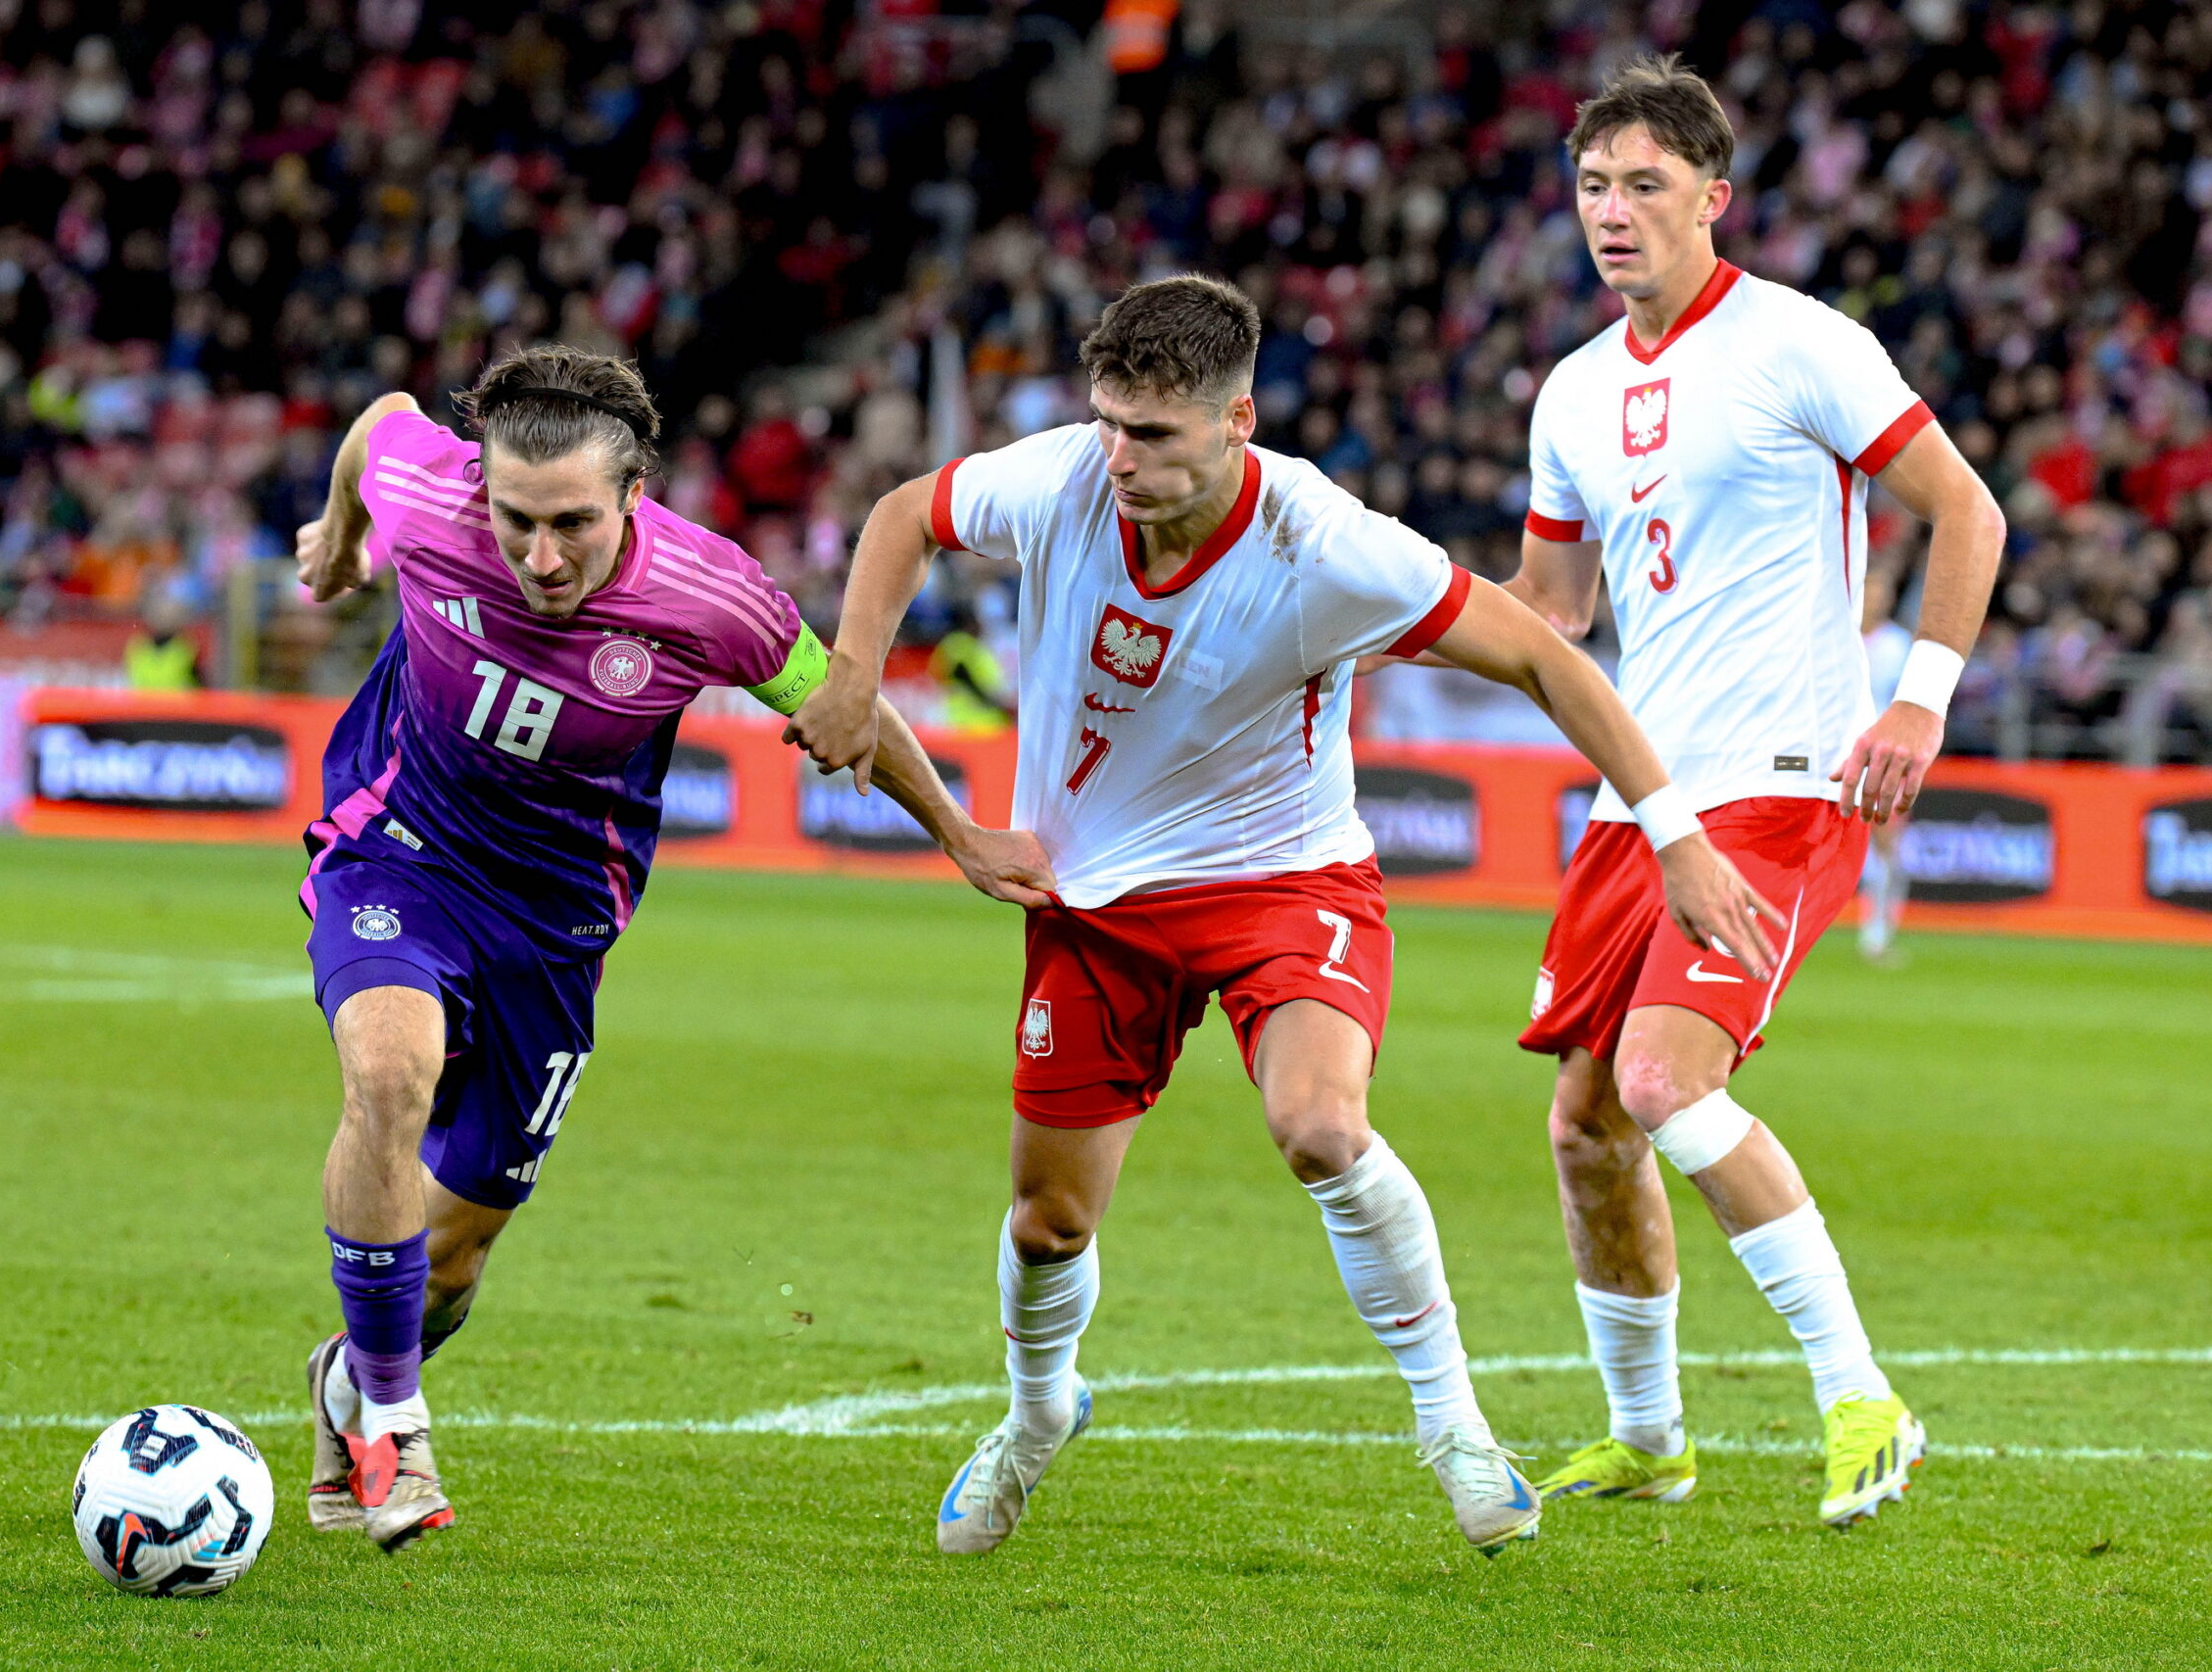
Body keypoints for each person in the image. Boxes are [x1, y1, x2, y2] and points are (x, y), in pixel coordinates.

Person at [784, 274, 1779, 1558]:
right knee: (1051, 1217)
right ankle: (1036, 1414)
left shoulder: (1326, 544)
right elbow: (904, 514)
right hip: (1095, 903)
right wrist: (857, 668)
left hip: (1282, 882)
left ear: (1239, 420)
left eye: (1157, 436)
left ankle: (1455, 1419)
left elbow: (1542, 651)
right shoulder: (1063, 478)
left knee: (1318, 1123)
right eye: (1108, 425)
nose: (1121, 460)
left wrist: (1676, 834)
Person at [291, 346, 1046, 1552]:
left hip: (556, 924)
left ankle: (355, 1373)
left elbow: (844, 706)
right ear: (479, 485)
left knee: (455, 1260)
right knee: (388, 1073)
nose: (542, 557)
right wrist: (338, 541)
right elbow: (380, 418)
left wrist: (957, 832)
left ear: (634, 494)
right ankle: (391, 1423)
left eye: (573, 525)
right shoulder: (428, 496)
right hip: (401, 852)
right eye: (517, 520)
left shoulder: (712, 596)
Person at [1504, 60, 2003, 1525]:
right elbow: (1550, 605)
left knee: (1666, 1081)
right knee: (1588, 1121)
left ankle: (1862, 1395)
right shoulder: (1573, 391)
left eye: (1646, 184)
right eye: (1594, 185)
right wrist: (1370, 600)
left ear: (1714, 199)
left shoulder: (1801, 344)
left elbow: (1964, 510)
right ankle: (1652, 1435)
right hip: (1640, 801)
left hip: (1783, 777)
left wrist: (1921, 694)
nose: (1613, 212)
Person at [1858, 573, 1914, 963]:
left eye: (1881, 591)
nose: (1875, 599)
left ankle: (1877, 933)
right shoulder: (1836, 634)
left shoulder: (1897, 643)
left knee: (1886, 843)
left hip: (1883, 753)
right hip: (1834, 750)